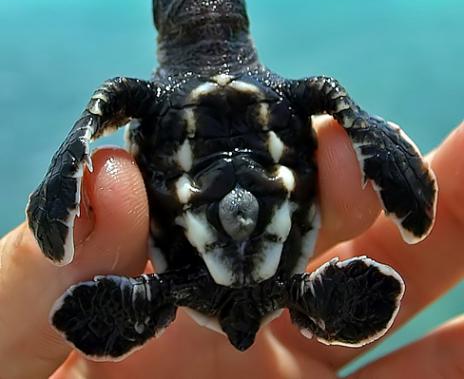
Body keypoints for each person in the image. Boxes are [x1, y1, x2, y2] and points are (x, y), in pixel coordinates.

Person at [0, 117, 463, 379]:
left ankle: (151, 301)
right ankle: (157, 300)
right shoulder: (280, 94)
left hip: (197, 274)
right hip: (232, 272)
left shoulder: (149, 100)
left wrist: (59, 191)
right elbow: (327, 97)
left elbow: (101, 111)